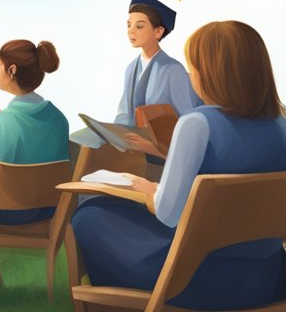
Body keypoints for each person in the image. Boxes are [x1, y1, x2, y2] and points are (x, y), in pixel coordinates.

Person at [71, 21, 286, 310]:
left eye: (193, 67)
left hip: (193, 279)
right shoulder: (281, 126)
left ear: (210, 73)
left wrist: (147, 189)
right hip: (268, 277)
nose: (189, 75)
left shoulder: (197, 124)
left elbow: (168, 213)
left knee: (90, 214)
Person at [0, 39, 68, 224]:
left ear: (12, 70)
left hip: (11, 212)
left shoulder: (6, 119)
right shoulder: (59, 118)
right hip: (51, 210)